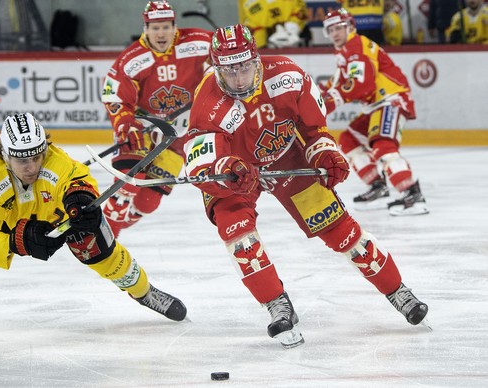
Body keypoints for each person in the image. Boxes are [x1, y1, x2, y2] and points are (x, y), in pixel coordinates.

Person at [183, 24, 429, 348]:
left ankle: (397, 290)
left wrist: (325, 153)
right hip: (238, 173)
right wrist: (224, 169)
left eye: (244, 67)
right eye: (230, 70)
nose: (239, 78)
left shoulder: (287, 75)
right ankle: (276, 305)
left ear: (256, 59)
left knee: (342, 232)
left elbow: (314, 130)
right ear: (217, 68)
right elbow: (204, 166)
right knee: (237, 235)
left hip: (288, 160)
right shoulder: (206, 103)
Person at [0, 113, 187, 322]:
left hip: (52, 210)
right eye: (22, 161)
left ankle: (144, 292)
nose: (31, 167)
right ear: (3, 154)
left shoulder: (55, 161)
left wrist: (80, 200)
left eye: (37, 157)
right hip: (3, 224)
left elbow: (77, 179)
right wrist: (16, 241)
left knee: (100, 252)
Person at [100, 0, 213, 238]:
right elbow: (114, 94)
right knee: (128, 184)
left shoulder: (198, 42)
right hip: (142, 126)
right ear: (145, 28)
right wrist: (124, 124)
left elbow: (230, 55)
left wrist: (216, 73)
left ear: (175, 26)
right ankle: (103, 237)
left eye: (165, 27)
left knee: (148, 202)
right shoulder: (132, 58)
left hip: (179, 133)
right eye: (154, 27)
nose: (160, 33)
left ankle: (118, 224)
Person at [320, 8, 428, 216]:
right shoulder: (344, 53)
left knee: (383, 145)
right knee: (349, 139)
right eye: (330, 30)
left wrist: (326, 104)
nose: (335, 33)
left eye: (339, 28)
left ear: (350, 27)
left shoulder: (357, 46)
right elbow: (333, 86)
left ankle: (412, 193)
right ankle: (379, 187)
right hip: (375, 106)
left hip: (391, 100)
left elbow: (362, 86)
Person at [237, 0, 310, 48]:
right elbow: (250, 23)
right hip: (266, 37)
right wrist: (260, 47)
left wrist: (292, 28)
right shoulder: (246, 3)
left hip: (295, 34)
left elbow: (299, 10)